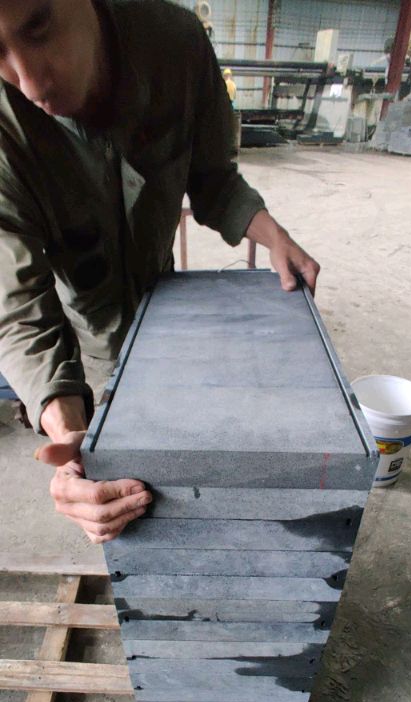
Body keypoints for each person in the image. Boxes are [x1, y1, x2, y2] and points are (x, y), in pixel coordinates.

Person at [0, 0, 320, 544]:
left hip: (165, 304)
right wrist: (69, 432)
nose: (30, 82)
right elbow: (18, 307)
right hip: (90, 329)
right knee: (135, 503)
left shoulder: (177, 45)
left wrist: (274, 236)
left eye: (39, 27)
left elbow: (214, 179)